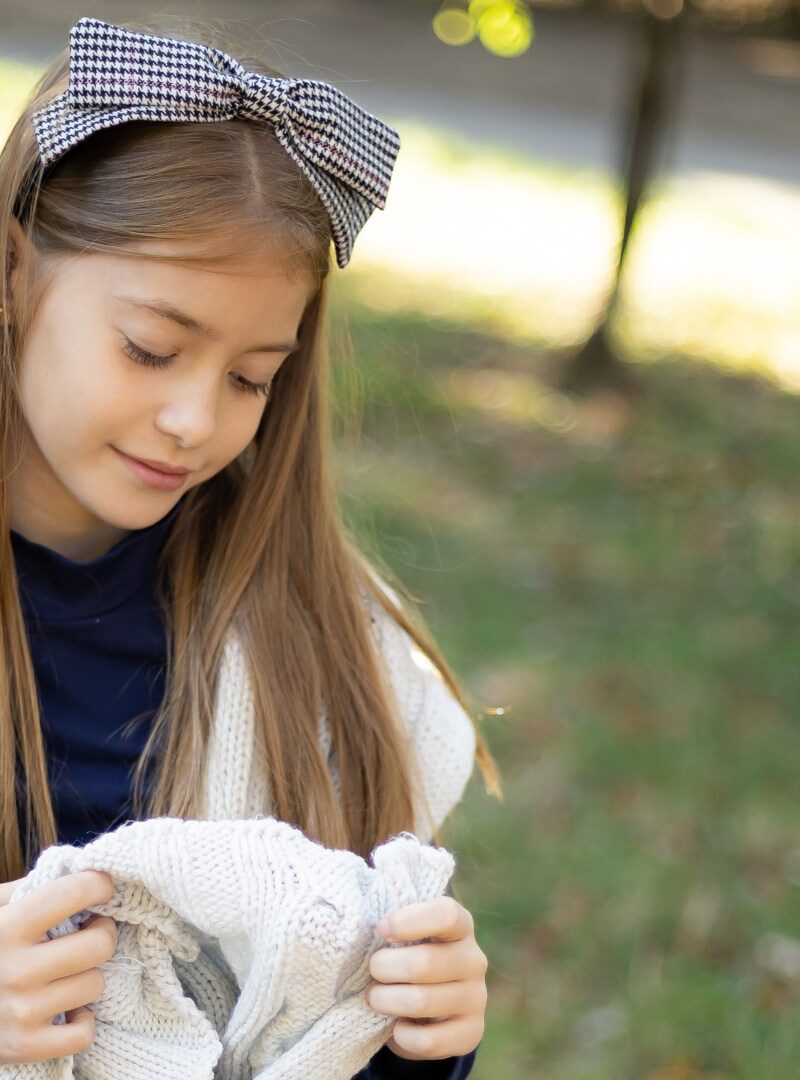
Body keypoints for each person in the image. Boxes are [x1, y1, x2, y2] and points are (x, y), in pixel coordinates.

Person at [0, 14, 503, 1079]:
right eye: (151, 347)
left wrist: (423, 1028)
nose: (194, 419)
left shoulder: (317, 644)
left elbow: (327, 1031)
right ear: (11, 274)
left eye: (248, 378)